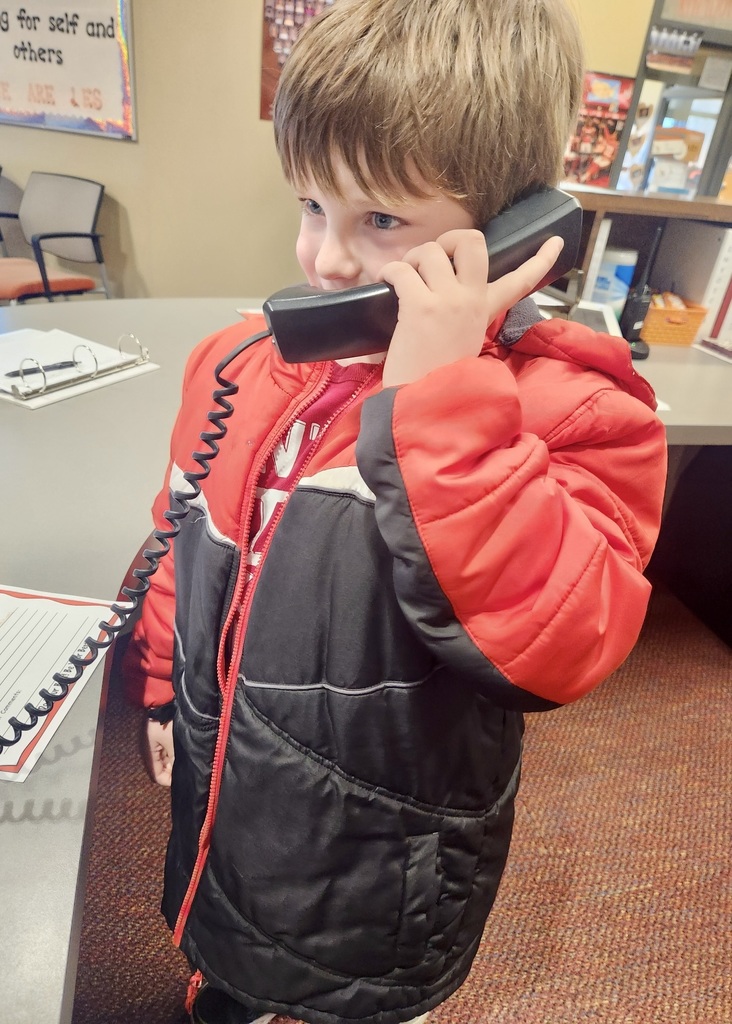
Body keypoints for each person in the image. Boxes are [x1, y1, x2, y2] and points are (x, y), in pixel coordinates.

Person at [121, 2, 667, 1023]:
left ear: (514, 233)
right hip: (229, 787)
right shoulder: (244, 364)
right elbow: (181, 536)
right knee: (227, 952)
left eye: (380, 221)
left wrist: (437, 404)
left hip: (379, 856)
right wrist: (159, 680)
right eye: (313, 205)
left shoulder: (574, 413)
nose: (324, 260)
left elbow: (558, 645)